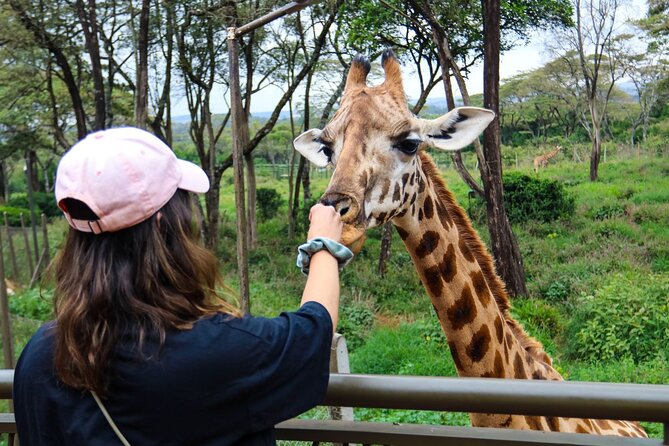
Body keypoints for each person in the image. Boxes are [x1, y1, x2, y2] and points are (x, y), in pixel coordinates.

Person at [13, 127, 351, 445]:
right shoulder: (217, 353)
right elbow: (314, 331)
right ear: (162, 227)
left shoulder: (41, 356)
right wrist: (322, 244)